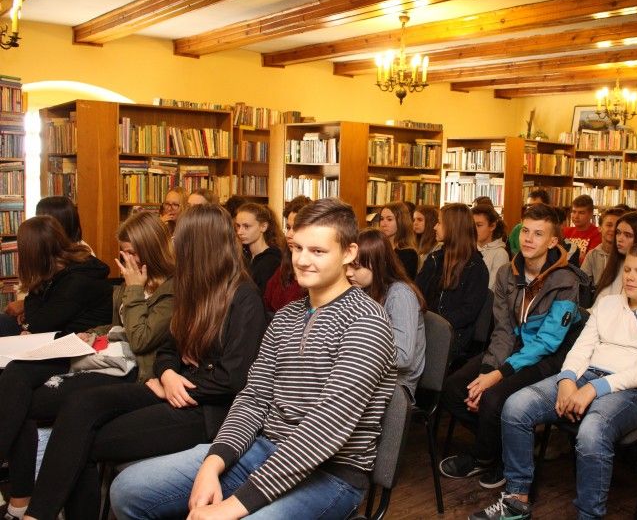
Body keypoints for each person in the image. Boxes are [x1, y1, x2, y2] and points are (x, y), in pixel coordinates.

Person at [110, 198, 396, 520]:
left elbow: (325, 428)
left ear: (348, 253)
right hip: (264, 449)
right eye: (297, 248)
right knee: (127, 490)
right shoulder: (286, 316)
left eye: (318, 251)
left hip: (331, 474)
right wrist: (213, 463)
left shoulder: (367, 322)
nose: (302, 260)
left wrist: (232, 507)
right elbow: (253, 398)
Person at [22, 204, 267, 520]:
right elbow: (168, 350)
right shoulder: (193, 289)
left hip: (206, 410)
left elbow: (234, 377)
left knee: (85, 442)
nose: (174, 245)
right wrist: (168, 374)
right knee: (81, 404)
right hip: (173, 387)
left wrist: (181, 381)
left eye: (179, 238)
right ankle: (35, 515)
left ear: (199, 245)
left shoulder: (244, 297)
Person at [471, 242, 637, 520]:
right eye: (628, 270)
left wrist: (592, 390)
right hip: (588, 375)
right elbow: (581, 348)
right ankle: (516, 500)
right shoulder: (608, 303)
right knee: (516, 406)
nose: (630, 277)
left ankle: (589, 516)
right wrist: (567, 380)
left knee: (592, 432)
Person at [0, 212, 175, 520]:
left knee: (55, 407)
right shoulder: (128, 284)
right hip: (109, 360)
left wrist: (134, 289)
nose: (126, 259)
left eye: (132, 252)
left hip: (136, 374)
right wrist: (93, 333)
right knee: (19, 394)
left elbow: (141, 339)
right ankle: (20, 503)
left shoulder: (171, 289)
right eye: (124, 252)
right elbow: (118, 326)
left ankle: (28, 508)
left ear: (151, 250)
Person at [440, 203, 584, 489]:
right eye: (525, 231)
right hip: (515, 346)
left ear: (552, 241)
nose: (528, 239)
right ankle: (502, 450)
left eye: (538, 234)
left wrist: (498, 375)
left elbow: (547, 342)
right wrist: (487, 371)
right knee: (455, 388)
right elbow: (503, 329)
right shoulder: (507, 272)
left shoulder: (567, 281)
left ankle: (483, 457)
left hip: (550, 357)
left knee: (493, 398)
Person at [0, 216, 112, 337]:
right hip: (58, 333)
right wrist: (30, 312)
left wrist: (29, 311)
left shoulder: (77, 279)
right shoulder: (58, 269)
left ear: (32, 253)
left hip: (70, 340)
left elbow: (37, 325)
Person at [347, 228, 426, 394]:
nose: (348, 273)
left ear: (378, 265)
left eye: (356, 267)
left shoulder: (400, 295)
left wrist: (356, 351)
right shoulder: (365, 289)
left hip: (397, 386)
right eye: (347, 266)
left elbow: (403, 357)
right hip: (372, 376)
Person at [416, 203, 489, 364]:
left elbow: (468, 312)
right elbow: (417, 294)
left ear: (453, 227)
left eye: (439, 222)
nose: (434, 227)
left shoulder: (476, 267)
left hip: (453, 338)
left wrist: (435, 325)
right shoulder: (434, 259)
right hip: (426, 330)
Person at [592, 211, 637, 308]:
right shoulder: (614, 263)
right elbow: (598, 305)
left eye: (627, 235)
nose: (620, 239)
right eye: (618, 233)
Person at [263, 196, 311, 314]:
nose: (289, 235)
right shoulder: (282, 269)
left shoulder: (315, 274)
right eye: (288, 228)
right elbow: (266, 305)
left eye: (296, 228)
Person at [234, 203, 284, 294]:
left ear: (263, 227)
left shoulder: (272, 261)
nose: (239, 232)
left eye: (246, 226)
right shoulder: (242, 255)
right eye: (238, 226)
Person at [580, 207, 624, 285]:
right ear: (600, 228)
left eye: (617, 226)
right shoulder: (592, 255)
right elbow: (583, 283)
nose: (613, 229)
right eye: (609, 225)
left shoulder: (626, 255)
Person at [473, 204, 509, 289]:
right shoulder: (469, 248)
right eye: (472, 225)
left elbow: (491, 287)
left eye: (479, 225)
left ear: (492, 226)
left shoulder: (500, 254)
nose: (474, 229)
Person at [378, 201, 418, 277]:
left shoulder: (408, 254)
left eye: (389, 219)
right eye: (381, 219)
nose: (383, 224)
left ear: (401, 222)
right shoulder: (378, 247)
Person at [509, 190, 550, 256]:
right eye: (529, 206)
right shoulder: (517, 229)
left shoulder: (552, 229)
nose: (531, 209)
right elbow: (511, 252)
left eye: (536, 206)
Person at [563, 195, 601, 264]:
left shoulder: (598, 234)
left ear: (591, 214)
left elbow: (589, 261)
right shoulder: (565, 231)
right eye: (574, 212)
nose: (576, 216)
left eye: (581, 213)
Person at [413, 204, 441, 271]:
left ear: (430, 222)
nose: (415, 223)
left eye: (419, 220)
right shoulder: (413, 243)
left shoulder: (438, 247)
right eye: (414, 220)